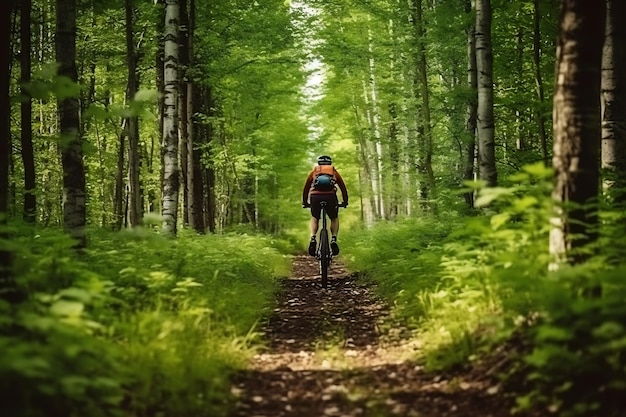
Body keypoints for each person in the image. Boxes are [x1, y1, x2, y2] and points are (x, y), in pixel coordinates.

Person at [302, 155, 348, 257]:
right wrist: (345, 202)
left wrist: (305, 202)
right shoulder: (334, 172)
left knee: (315, 218)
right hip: (330, 197)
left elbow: (306, 188)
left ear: (319, 163)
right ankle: (333, 239)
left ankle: (313, 237)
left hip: (315, 197)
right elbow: (343, 187)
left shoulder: (314, 172)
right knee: (334, 218)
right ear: (330, 163)